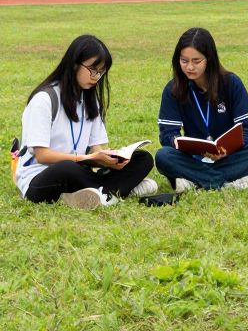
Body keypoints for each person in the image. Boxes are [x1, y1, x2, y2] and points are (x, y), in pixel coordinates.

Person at [14, 34, 156, 209]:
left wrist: (107, 159)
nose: (96, 77)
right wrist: (87, 158)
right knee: (68, 168)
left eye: (101, 72)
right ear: (74, 64)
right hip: (40, 178)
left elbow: (97, 150)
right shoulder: (44, 100)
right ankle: (115, 191)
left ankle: (97, 194)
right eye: (93, 69)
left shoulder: (90, 101)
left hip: (80, 171)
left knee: (143, 159)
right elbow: (42, 156)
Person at [156, 27, 248, 191]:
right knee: (163, 156)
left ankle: (197, 181)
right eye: (184, 61)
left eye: (196, 61)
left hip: (229, 157)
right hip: (194, 159)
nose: (190, 67)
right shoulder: (173, 89)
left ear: (209, 59)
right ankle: (228, 183)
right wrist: (180, 143)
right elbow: (168, 134)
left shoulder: (231, 83)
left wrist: (226, 151)